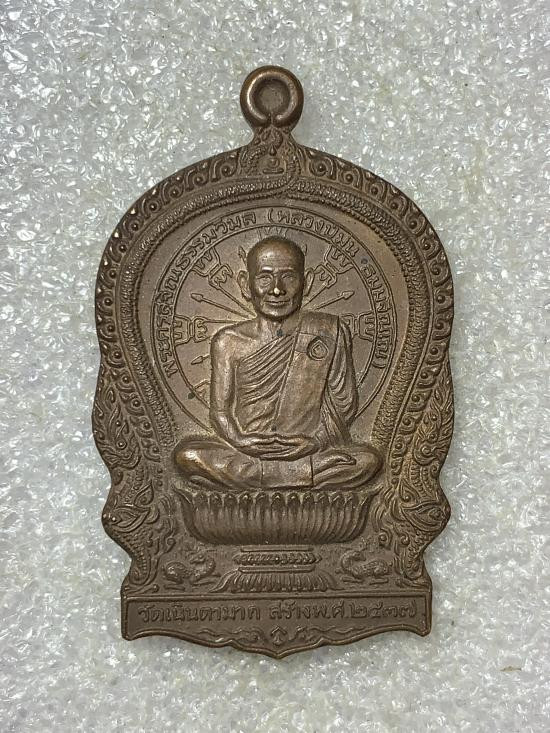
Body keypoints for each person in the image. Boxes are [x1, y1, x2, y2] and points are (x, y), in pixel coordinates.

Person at [174, 236, 381, 489]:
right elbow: (219, 413)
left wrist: (315, 442)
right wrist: (240, 441)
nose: (276, 290)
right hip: (248, 452)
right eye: (264, 278)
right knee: (188, 456)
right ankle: (298, 476)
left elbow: (344, 405)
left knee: (368, 461)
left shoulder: (328, 331)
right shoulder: (228, 341)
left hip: (307, 451)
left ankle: (266, 478)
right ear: (245, 284)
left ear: (307, 283)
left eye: (289, 277)